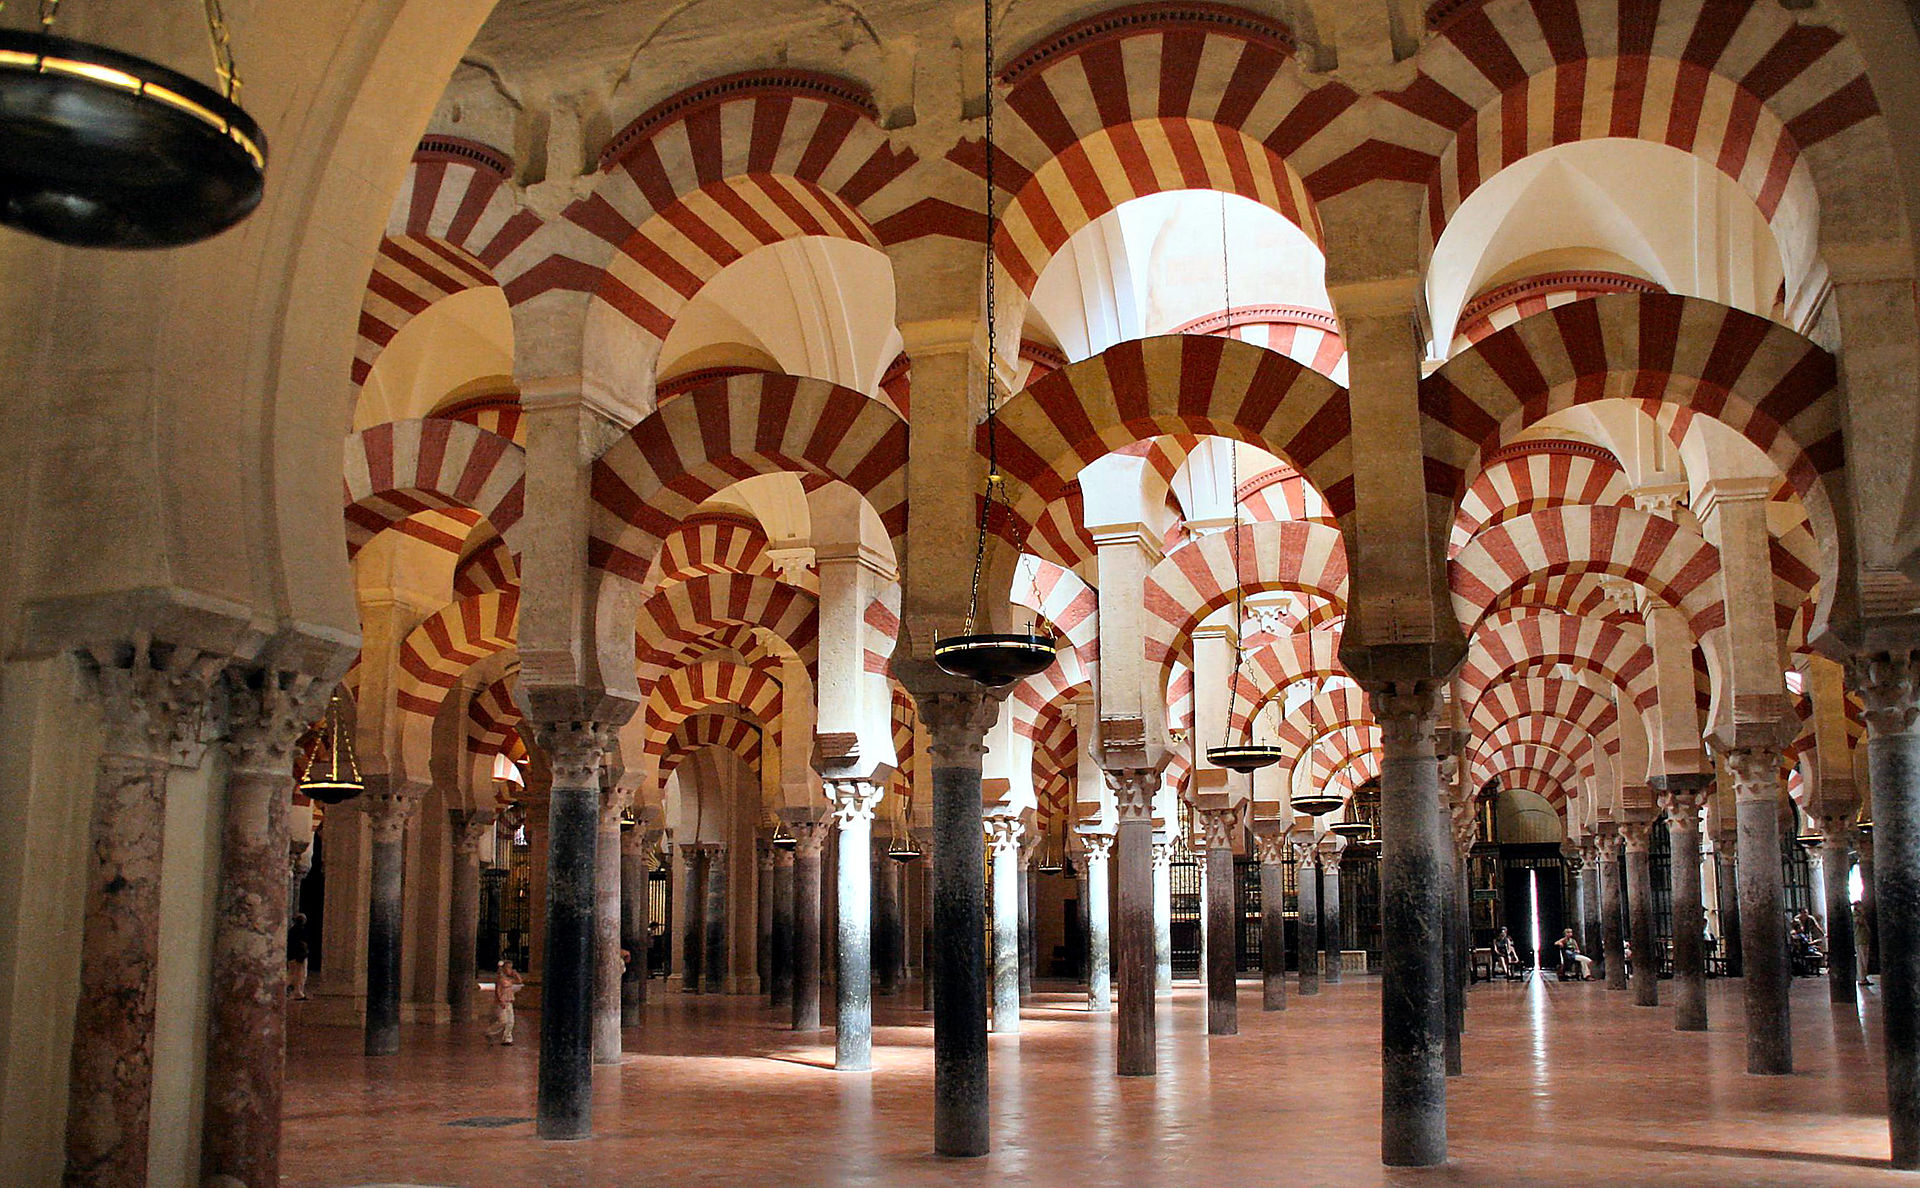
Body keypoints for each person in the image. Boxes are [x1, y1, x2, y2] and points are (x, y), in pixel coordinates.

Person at [485, 959, 523, 1045]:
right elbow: (498, 990)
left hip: (509, 1000)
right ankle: (489, 1032)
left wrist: (515, 973)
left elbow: (519, 981)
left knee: (511, 1021)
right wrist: (500, 1000)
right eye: (508, 968)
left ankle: (507, 1039)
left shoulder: (510, 979)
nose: (510, 969)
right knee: (503, 1020)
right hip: (502, 1001)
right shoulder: (500, 978)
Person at [286, 913, 310, 1000]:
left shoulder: (292, 931)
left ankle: (294, 992)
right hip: (299, 956)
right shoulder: (299, 931)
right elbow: (301, 944)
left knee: (293, 974)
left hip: (294, 956)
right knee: (299, 975)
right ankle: (297, 993)